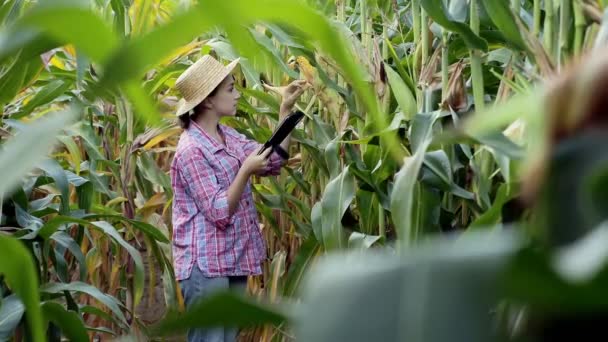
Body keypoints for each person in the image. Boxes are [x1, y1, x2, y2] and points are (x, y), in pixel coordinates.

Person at [170, 54, 306, 342]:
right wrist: (244, 171)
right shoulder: (190, 150)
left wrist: (285, 113)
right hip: (204, 264)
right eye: (231, 89)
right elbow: (219, 211)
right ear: (208, 100)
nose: (237, 94)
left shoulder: (227, 136)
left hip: (232, 257)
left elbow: (272, 162)